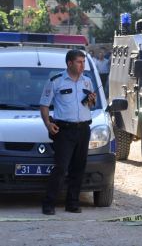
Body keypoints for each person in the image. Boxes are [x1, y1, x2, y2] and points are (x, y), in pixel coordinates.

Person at [39, 50, 96, 215]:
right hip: (64, 131)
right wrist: (48, 124)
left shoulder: (87, 81)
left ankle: (72, 203)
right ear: (69, 63)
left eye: (84, 62)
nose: (82, 65)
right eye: (79, 62)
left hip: (83, 129)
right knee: (61, 168)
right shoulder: (56, 81)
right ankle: (48, 204)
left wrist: (92, 100)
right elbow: (44, 105)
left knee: (78, 168)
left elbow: (91, 105)